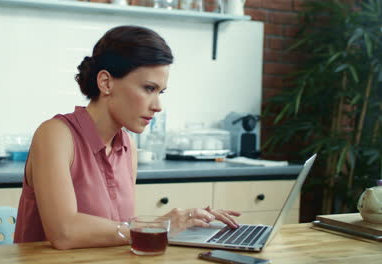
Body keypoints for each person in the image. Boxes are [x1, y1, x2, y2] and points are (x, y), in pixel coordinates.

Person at [13, 25, 241, 249]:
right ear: (106, 83)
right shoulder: (55, 135)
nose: (158, 106)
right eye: (148, 88)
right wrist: (158, 225)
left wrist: (188, 222)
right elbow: (64, 232)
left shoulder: (127, 148)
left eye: (160, 92)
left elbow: (118, 231)